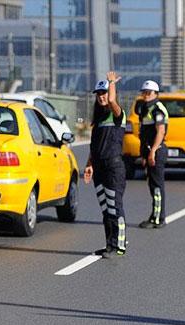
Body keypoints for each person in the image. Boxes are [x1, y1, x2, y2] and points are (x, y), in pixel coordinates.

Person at [83, 72, 128, 258]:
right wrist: (89, 165)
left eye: (104, 93)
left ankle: (119, 246)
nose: (102, 97)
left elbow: (112, 101)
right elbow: (94, 146)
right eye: (98, 94)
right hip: (100, 168)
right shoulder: (99, 120)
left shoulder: (117, 115)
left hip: (114, 168)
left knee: (114, 207)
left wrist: (111, 84)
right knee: (105, 209)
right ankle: (109, 245)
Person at [138, 80, 169, 228]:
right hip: (149, 150)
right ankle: (154, 216)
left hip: (157, 150)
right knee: (152, 185)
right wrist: (144, 154)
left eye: (148, 93)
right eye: (143, 92)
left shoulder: (157, 109)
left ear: (156, 94)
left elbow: (160, 131)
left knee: (157, 186)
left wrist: (152, 152)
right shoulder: (145, 108)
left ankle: (158, 218)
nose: (145, 95)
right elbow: (144, 134)